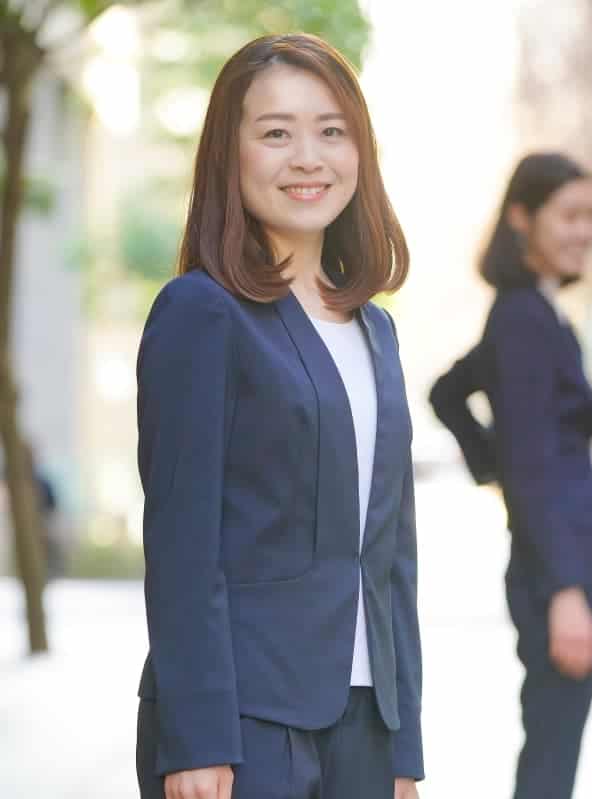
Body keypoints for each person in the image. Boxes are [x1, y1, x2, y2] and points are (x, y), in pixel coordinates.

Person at [135, 34, 422, 799]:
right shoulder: (201, 312)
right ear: (230, 157)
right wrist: (195, 738)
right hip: (246, 724)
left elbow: (392, 556)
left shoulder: (376, 330)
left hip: (367, 723)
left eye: (332, 130)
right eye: (275, 132)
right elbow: (181, 542)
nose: (308, 156)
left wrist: (405, 750)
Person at [429, 152, 592, 799]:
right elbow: (533, 461)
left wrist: (492, 466)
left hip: (560, 553)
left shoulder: (532, 312)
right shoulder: (523, 318)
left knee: (553, 744)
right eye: (569, 215)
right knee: (552, 756)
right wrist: (566, 588)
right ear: (521, 219)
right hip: (560, 562)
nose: (584, 230)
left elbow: (448, 392)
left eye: (591, 216)